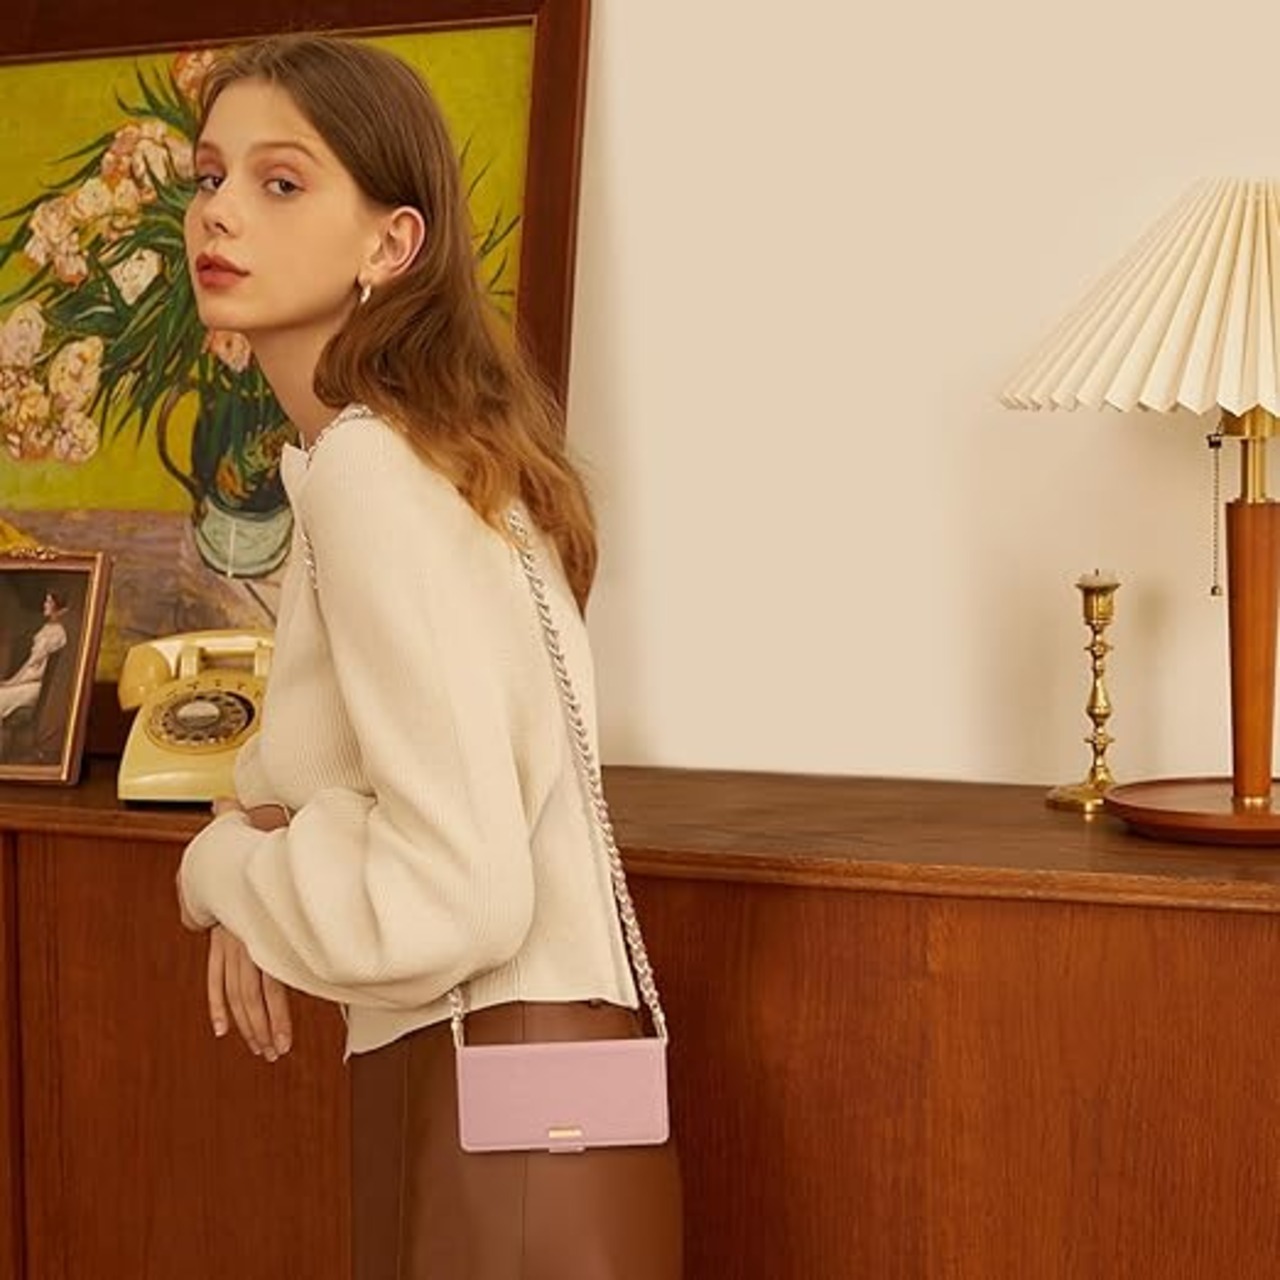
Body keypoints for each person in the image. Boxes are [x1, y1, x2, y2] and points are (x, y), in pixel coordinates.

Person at [174, 33, 682, 1280]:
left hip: (488, 1108)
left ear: (390, 244)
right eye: (209, 175)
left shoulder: (370, 471)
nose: (220, 211)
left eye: (280, 182)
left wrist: (226, 868)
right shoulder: (434, 457)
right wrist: (275, 819)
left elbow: (454, 889)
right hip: (532, 1092)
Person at [0, 590, 68, 722]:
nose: (45, 605)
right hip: (27, 682)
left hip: (35, 686)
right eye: (46, 601)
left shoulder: (57, 633)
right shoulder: (47, 628)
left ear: (58, 607)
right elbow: (30, 664)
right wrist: (11, 681)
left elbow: (40, 672)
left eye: (49, 602)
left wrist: (14, 683)